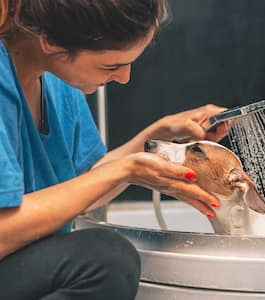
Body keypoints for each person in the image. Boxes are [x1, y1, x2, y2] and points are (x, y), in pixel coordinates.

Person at [0, 1, 228, 299]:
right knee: (106, 259)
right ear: (51, 42)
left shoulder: (58, 82)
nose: (124, 78)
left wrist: (157, 135)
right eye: (111, 66)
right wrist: (128, 169)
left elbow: (81, 191)